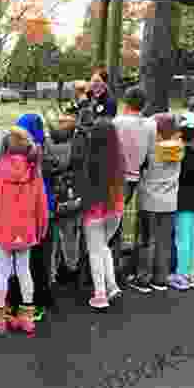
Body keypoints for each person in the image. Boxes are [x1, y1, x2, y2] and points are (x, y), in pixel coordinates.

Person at [0, 126, 48, 337]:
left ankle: (0, 318)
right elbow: (41, 205)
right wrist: (40, 229)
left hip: (1, 232)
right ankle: (27, 317)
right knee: (25, 272)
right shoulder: (34, 172)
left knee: (2, 273)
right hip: (26, 232)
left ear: (5, 147)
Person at [129, 113, 183, 293]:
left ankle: (143, 278)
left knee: (146, 240)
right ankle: (160, 278)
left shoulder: (151, 150)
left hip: (149, 201)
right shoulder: (178, 148)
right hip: (170, 201)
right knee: (164, 240)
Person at [14, 113, 56, 321]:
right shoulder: (47, 151)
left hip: (26, 213)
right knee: (41, 258)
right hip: (45, 211)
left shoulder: (20, 157)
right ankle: (42, 297)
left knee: (24, 261)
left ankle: (25, 301)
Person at [81, 118, 126, 308]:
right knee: (103, 247)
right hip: (115, 209)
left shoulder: (91, 158)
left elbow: (86, 186)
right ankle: (112, 285)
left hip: (94, 212)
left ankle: (100, 294)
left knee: (95, 251)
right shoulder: (119, 157)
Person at [171, 112, 194, 290]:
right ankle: (192, 273)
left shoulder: (181, 152)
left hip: (183, 198)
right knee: (193, 237)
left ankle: (182, 274)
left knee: (182, 237)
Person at [113, 85, 152, 202]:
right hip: (134, 176)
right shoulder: (150, 125)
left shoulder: (117, 122)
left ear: (126, 102)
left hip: (116, 174)